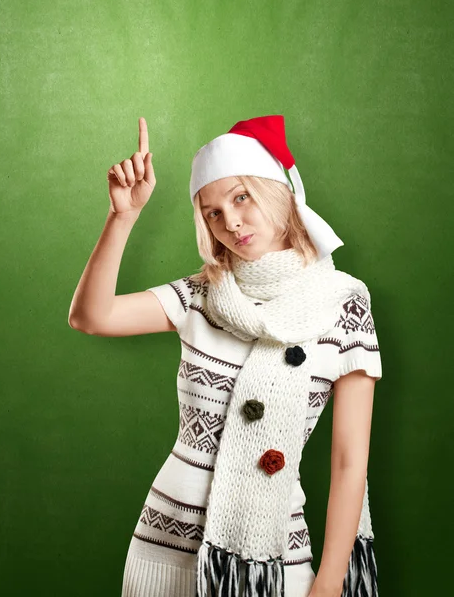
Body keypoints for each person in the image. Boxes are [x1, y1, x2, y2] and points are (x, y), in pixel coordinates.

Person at [68, 115, 382, 597]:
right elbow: (93, 316)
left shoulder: (344, 302)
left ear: (278, 192)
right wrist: (122, 216)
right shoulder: (201, 294)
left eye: (241, 197)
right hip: (168, 542)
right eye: (212, 212)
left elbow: (348, 460)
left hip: (272, 554)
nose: (231, 222)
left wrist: (329, 582)